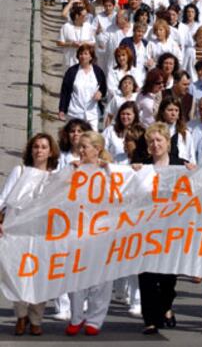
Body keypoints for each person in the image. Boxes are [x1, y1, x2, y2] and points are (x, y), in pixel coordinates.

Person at [0, 133, 60, 336]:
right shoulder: (20, 171)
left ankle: (36, 319)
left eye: (44, 147)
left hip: (42, 234)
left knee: (40, 276)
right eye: (36, 146)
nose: (39, 150)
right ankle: (21, 315)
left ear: (51, 151)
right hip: (18, 231)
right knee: (17, 274)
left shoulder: (56, 176)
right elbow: (4, 197)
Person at [137, 122, 186, 334]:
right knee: (146, 276)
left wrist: (197, 172)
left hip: (172, 229)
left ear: (167, 143)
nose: (155, 145)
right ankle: (151, 319)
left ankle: (166, 306)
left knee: (167, 278)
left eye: (159, 140)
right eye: (151, 141)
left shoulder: (181, 165)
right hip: (146, 229)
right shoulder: (141, 167)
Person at [65, 132, 113, 336]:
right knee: (75, 275)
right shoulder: (72, 169)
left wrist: (112, 170)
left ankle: (95, 319)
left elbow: (126, 191)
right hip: (77, 230)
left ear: (97, 149)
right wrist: (68, 173)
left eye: (85, 146)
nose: (81, 150)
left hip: (103, 231)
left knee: (101, 279)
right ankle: (76, 316)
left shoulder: (109, 171)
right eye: (80, 147)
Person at [58, 44, 106, 130]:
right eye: (81, 54)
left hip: (92, 112)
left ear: (91, 56)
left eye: (86, 54)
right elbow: (65, 91)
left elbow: (103, 87)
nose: (83, 56)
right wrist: (62, 109)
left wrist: (100, 93)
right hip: (75, 111)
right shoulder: (72, 71)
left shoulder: (97, 71)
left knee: (93, 139)